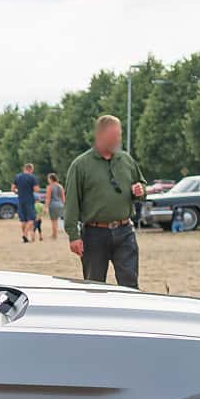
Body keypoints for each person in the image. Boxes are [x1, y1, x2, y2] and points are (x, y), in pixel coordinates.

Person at [62, 115, 146, 288]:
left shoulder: (126, 160)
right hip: (94, 234)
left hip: (125, 232)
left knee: (130, 283)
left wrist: (140, 190)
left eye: (119, 134)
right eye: (114, 135)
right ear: (100, 136)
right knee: (94, 285)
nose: (118, 139)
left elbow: (141, 184)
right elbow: (71, 202)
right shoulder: (81, 165)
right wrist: (73, 235)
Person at [13, 162, 39, 243]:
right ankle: (25, 234)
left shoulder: (17, 177)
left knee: (23, 219)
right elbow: (36, 189)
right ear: (31, 169)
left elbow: (13, 189)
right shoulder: (32, 177)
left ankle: (25, 237)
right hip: (29, 200)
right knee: (31, 218)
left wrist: (19, 192)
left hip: (20, 200)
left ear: (24, 168)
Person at [44, 172, 65, 240]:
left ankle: (54, 235)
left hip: (53, 205)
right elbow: (63, 197)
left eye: (48, 178)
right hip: (60, 205)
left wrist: (46, 207)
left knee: (54, 221)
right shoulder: (60, 186)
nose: (48, 180)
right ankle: (55, 234)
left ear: (51, 179)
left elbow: (48, 198)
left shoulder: (50, 187)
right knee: (60, 220)